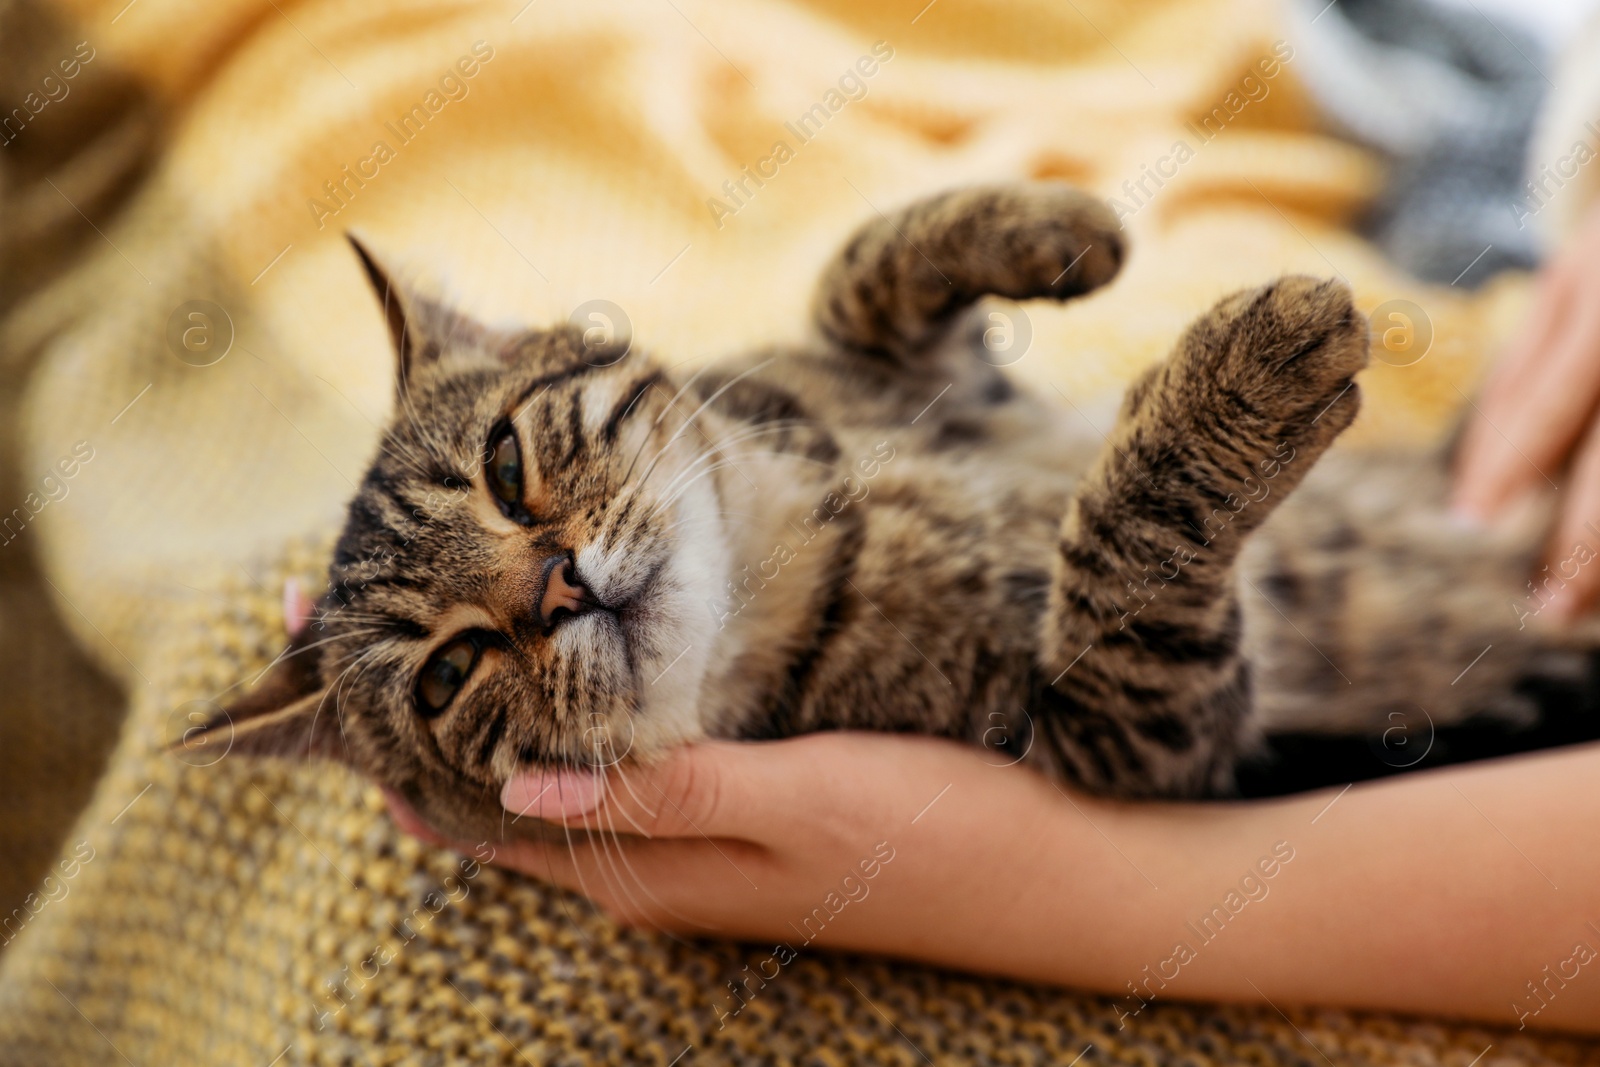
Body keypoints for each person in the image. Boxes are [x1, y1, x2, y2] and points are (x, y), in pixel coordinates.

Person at [373, 201, 1600, 1039]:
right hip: (1468, 649)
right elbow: (1134, 744)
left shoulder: (740, 417)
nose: (548, 587)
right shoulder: (817, 708)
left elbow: (904, 372)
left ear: (520, 348)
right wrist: (1163, 513)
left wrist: (900, 275)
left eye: (507, 470)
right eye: (454, 665)